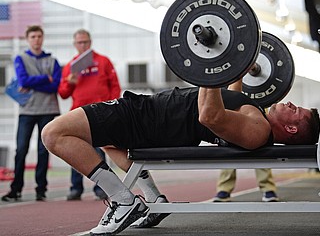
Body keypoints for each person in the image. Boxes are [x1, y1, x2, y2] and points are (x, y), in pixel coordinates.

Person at [41, 80, 319, 235]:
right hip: (150, 115)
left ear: (292, 129)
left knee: (53, 134)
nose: (292, 103)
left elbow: (210, 116)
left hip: (147, 121)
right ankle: (153, 199)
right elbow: (229, 100)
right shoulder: (255, 116)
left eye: (298, 111)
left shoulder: (258, 130)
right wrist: (236, 66)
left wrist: (209, 69)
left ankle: (124, 202)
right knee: (107, 143)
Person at [58, 29, 121, 201]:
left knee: (101, 150)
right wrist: (69, 83)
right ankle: (75, 187)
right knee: (74, 150)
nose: (83, 45)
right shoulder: (70, 67)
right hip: (78, 113)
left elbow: (115, 86)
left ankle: (102, 188)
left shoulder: (103, 61)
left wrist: (113, 107)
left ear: (90, 42)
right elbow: (62, 93)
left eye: (85, 42)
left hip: (100, 112)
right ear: (74, 44)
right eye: (80, 42)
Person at [2, 25, 61, 202]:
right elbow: (23, 80)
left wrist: (33, 83)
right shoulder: (20, 58)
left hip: (48, 110)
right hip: (27, 110)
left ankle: (40, 190)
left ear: (43, 38)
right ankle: (16, 189)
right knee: (21, 150)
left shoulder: (53, 61)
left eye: (39, 36)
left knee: (44, 151)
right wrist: (45, 78)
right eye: (33, 36)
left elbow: (56, 85)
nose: (36, 39)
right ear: (28, 39)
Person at [213, 81, 279, 203]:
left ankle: (267, 187)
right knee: (228, 144)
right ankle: (224, 188)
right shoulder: (230, 64)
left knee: (262, 144)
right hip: (231, 98)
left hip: (257, 100)